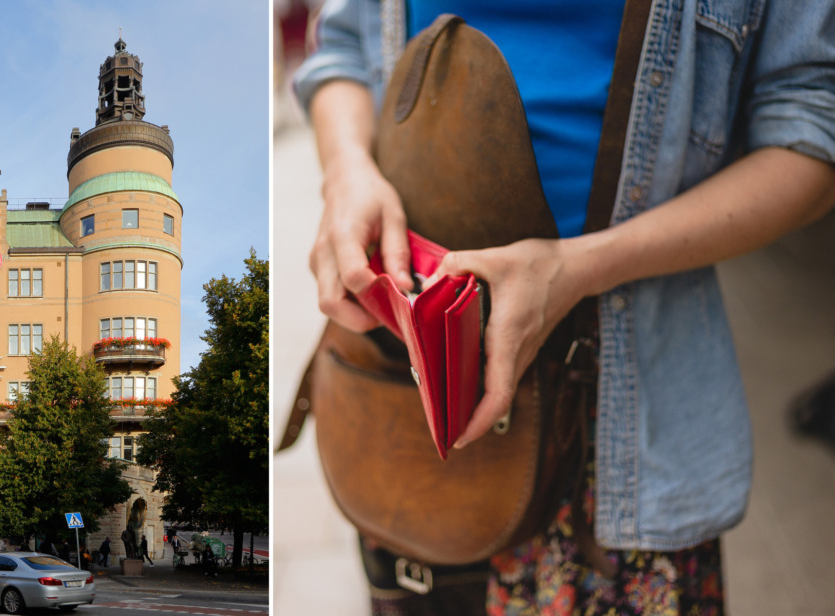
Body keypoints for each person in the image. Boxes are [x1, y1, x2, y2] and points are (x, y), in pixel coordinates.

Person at [293, 0, 835, 613]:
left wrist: (580, 268)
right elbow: (342, 47)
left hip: (621, 422)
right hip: (407, 383)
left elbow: (811, 135)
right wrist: (347, 173)